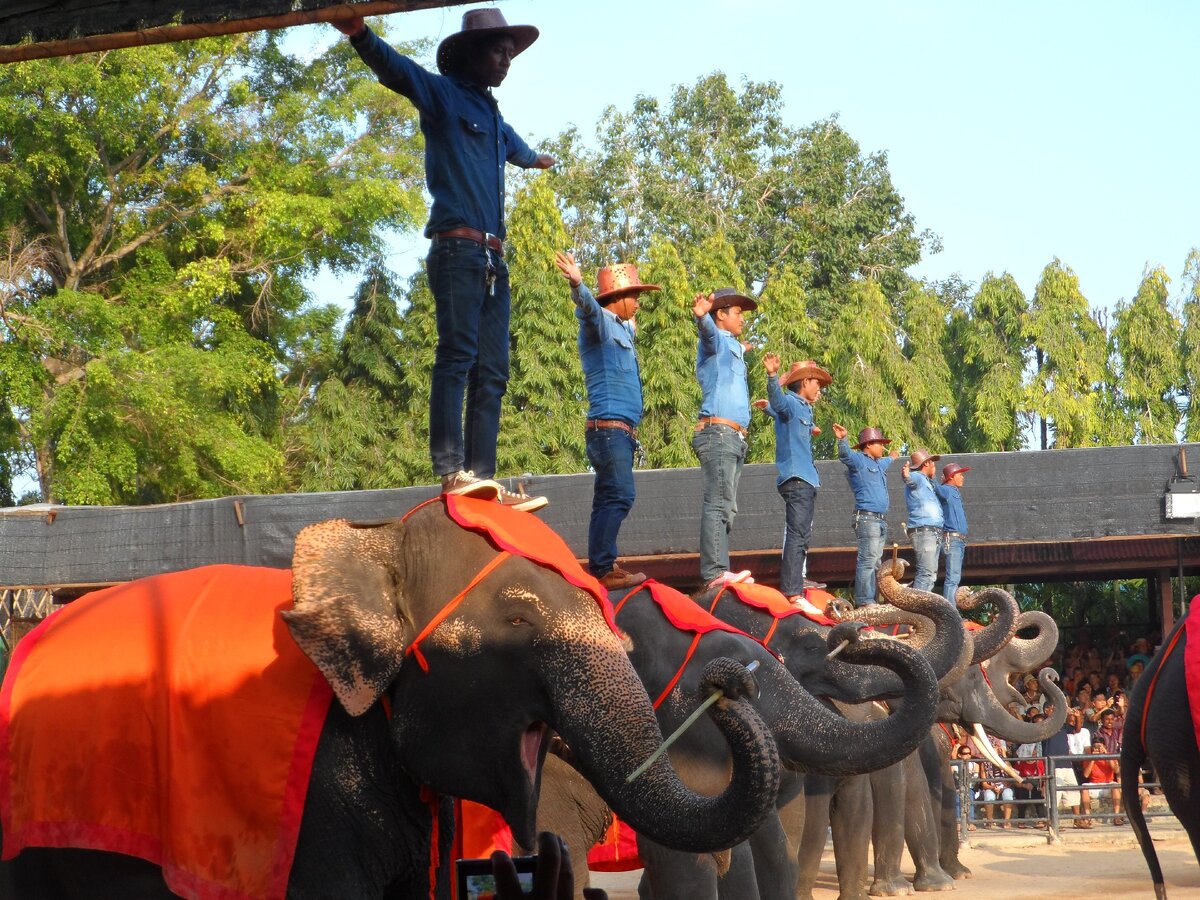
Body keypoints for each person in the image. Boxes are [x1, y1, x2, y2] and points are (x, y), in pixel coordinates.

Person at [334, 9, 554, 510]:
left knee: (493, 371)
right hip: (457, 250)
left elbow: (519, 150)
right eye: (498, 51)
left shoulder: (495, 118)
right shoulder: (442, 96)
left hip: (496, 261)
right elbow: (399, 71)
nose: (506, 61)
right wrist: (361, 35)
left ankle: (484, 479)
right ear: (472, 54)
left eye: (510, 53)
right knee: (458, 356)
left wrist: (538, 159)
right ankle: (451, 471)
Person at [554, 253, 657, 589]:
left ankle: (603, 564)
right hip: (608, 430)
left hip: (617, 433)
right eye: (635, 297)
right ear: (618, 299)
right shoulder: (598, 323)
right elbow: (588, 309)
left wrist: (629, 327)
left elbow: (624, 326)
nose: (639, 303)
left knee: (607, 497)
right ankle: (602, 567)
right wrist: (577, 283)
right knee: (621, 494)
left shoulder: (621, 331)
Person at [692, 288, 758, 589]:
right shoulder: (715, 338)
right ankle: (716, 573)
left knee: (728, 507)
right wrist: (702, 316)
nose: (742, 318)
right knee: (718, 503)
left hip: (733, 437)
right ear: (721, 314)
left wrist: (741, 349)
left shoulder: (730, 345)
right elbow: (708, 335)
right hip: (718, 434)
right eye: (737, 312)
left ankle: (720, 570)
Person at [761, 355, 832, 605]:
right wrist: (772, 377)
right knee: (797, 535)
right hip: (797, 479)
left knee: (802, 535)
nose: (819, 390)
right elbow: (779, 404)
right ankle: (792, 591)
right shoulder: (791, 402)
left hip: (806, 479)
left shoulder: (802, 408)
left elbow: (779, 413)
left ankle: (796, 585)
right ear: (804, 382)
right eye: (817, 384)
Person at [832, 423, 900, 605]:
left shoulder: (879, 464)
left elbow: (887, 460)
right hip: (867, 519)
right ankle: (864, 601)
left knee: (875, 562)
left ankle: (872, 601)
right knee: (868, 561)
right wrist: (842, 439)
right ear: (868, 445)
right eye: (880, 444)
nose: (883, 448)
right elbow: (845, 456)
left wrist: (892, 457)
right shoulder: (859, 460)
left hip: (879, 520)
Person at [899, 448, 943, 592]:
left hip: (932, 531)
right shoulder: (918, 476)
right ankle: (918, 610)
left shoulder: (927, 482)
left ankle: (922, 609)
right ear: (926, 464)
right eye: (933, 464)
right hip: (925, 531)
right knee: (926, 573)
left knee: (930, 574)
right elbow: (909, 479)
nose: (935, 468)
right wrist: (906, 475)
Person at [1044, 707, 1091, 828]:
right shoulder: (1044, 725)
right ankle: (1052, 822)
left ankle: (1077, 819)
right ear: (1046, 711)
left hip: (1066, 764)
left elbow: (1077, 729)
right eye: (1052, 709)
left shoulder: (1063, 726)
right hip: (1054, 765)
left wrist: (1076, 716)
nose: (1055, 711)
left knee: (1074, 791)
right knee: (1054, 794)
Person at [934, 461, 970, 604]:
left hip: (958, 540)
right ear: (951, 477)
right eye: (960, 475)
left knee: (955, 577)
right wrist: (933, 478)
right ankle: (951, 614)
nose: (963, 477)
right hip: (952, 539)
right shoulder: (947, 490)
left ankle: (951, 612)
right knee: (952, 578)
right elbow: (936, 488)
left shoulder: (953, 491)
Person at [1082, 739, 1124, 825]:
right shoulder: (1088, 758)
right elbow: (1086, 775)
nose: (1097, 748)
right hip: (1094, 785)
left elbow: (1116, 771)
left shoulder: (1110, 756)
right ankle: (1087, 818)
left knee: (1115, 786)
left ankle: (1117, 817)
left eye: (1099, 746)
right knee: (1084, 787)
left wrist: (1106, 755)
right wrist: (1093, 759)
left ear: (1104, 746)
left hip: (1108, 784)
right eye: (1095, 747)